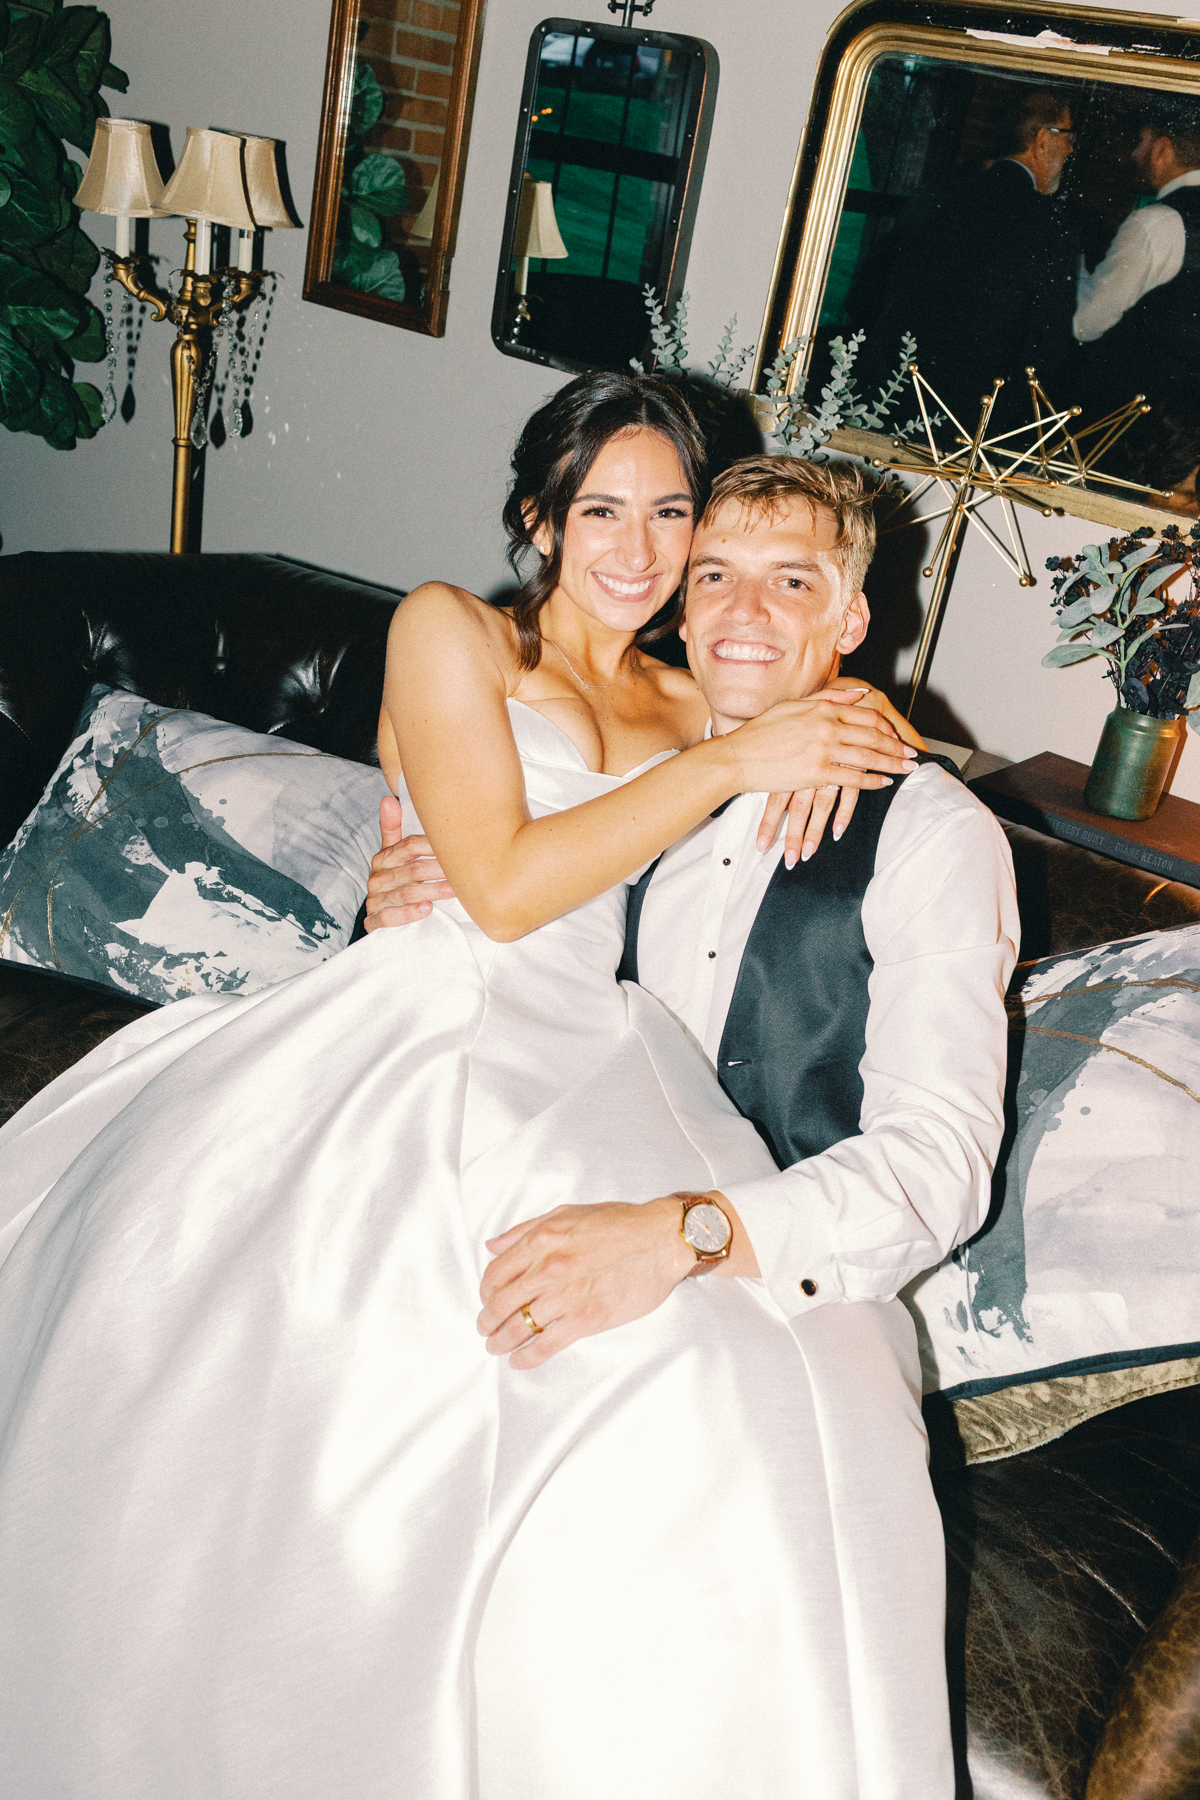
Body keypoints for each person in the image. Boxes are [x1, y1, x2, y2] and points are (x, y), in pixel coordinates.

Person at [0, 373, 949, 1800]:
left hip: (606, 1045)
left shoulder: (695, 695)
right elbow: (499, 886)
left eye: (669, 514)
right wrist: (745, 754)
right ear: (540, 519)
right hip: (425, 1016)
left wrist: (861, 715)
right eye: (600, 511)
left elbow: (815, 711)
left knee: (730, 1359)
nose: (636, 550)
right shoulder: (453, 630)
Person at [369, 455, 1019, 1788]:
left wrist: (692, 1232)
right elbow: (501, 928)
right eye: (713, 574)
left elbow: (940, 1169)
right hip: (543, 1173)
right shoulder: (633, 772)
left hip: (785, 1267)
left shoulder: (932, 837)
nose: (741, 612)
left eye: (793, 584)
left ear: (852, 621)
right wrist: (399, 901)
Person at [855, 88, 1080, 437]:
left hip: (889, 393)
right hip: (970, 418)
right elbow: (1045, 348)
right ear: (1041, 139)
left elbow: (868, 287)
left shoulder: (937, 195)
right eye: (1068, 136)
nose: (1070, 148)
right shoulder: (1050, 226)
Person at [1073, 99, 1200, 500]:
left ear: (1163, 148)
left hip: (1138, 428)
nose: (1133, 153)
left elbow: (1087, 322)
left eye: (1141, 142)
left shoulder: (1156, 222)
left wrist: (1068, 255)